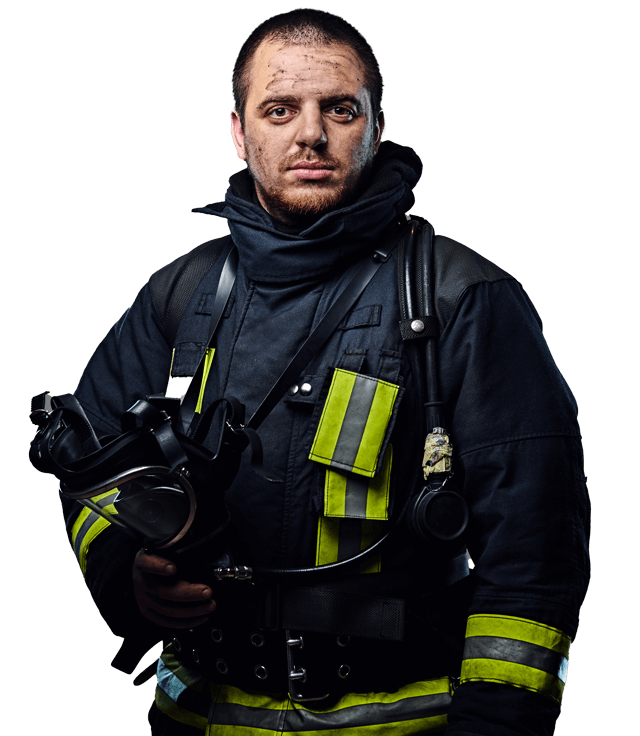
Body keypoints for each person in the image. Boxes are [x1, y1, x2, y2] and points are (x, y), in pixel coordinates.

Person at [52, 8, 589, 735]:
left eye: (340, 108)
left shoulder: (460, 298)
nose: (311, 134)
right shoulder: (179, 295)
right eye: (279, 109)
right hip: (200, 720)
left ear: (376, 126)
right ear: (239, 131)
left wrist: (497, 728)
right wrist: (129, 573)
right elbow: (90, 469)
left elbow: (535, 548)